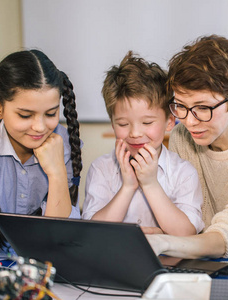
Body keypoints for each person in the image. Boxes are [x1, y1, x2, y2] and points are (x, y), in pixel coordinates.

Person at [146, 35, 228, 259]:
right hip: (200, 262)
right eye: (180, 106)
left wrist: (164, 241)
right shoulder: (182, 136)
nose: (189, 121)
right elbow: (186, 217)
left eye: (203, 108)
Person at [0, 50, 82, 261]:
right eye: (25, 115)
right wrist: (44, 244)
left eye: (50, 114)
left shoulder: (65, 145)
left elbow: (65, 237)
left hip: (48, 266)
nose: (39, 127)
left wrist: (56, 173)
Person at [82, 51, 204, 236]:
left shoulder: (183, 173)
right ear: (112, 122)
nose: (135, 133)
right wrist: (128, 187)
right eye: (123, 124)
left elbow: (187, 232)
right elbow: (92, 232)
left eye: (147, 123)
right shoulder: (101, 169)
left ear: (170, 122)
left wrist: (150, 183)